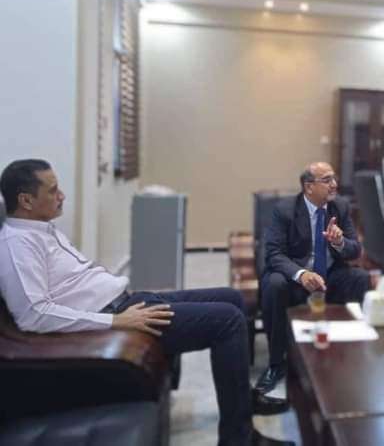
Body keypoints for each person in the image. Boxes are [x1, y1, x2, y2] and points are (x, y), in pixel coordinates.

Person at [0, 159, 290, 446]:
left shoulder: (41, 229)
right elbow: (34, 315)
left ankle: (243, 399)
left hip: (127, 301)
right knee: (228, 320)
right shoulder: (17, 244)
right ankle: (238, 438)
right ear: (26, 200)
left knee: (232, 297)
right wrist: (115, 321)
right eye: (53, 190)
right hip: (116, 315)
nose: (62, 195)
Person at [256, 162, 370, 394]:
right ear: (308, 187)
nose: (334, 184)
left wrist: (339, 242)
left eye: (334, 178)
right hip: (294, 277)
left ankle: (350, 351)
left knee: (360, 278)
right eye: (327, 180)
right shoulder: (285, 210)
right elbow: (274, 254)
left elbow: (355, 251)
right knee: (274, 284)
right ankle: (277, 363)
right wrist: (301, 274)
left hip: (329, 275)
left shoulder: (340, 206)